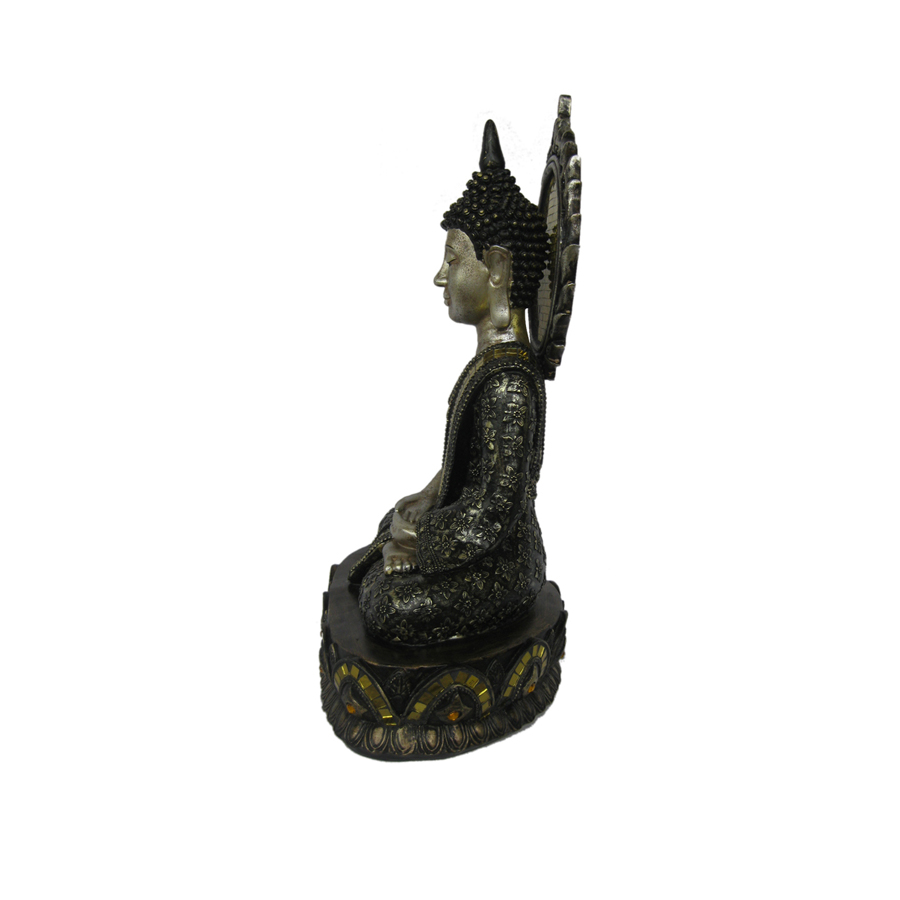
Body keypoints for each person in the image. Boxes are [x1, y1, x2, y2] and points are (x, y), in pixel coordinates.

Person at [349, 121, 551, 645]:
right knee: (387, 528)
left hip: (504, 561)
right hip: (468, 538)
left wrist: (416, 539)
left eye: (454, 259)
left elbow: (491, 516)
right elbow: (467, 470)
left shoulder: (509, 386)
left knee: (392, 606)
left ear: (497, 268)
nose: (441, 276)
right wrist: (427, 496)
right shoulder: (491, 366)